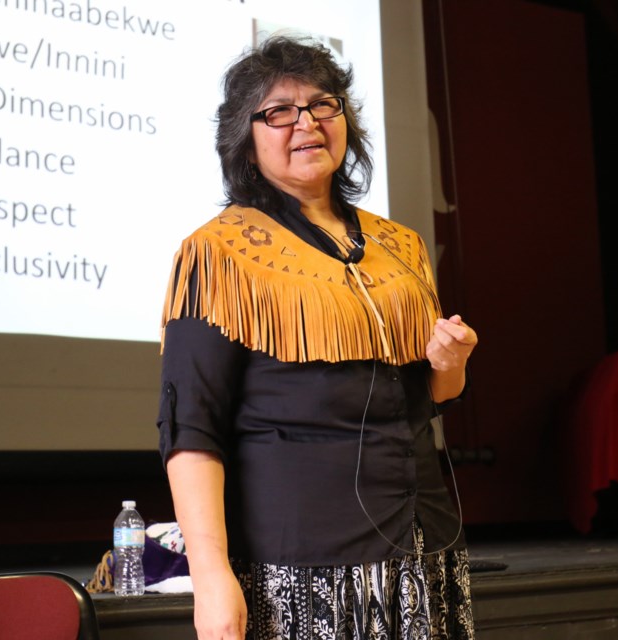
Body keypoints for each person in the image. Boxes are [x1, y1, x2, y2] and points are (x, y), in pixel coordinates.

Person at [158, 35, 478, 640]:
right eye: (278, 111)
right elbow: (191, 425)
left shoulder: (402, 246)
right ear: (246, 144)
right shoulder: (216, 254)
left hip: (424, 546)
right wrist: (212, 577)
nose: (305, 122)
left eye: (321, 104)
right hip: (304, 568)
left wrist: (449, 361)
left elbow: (434, 394)